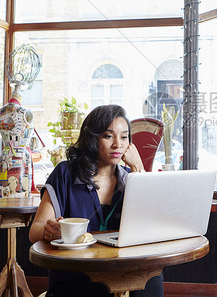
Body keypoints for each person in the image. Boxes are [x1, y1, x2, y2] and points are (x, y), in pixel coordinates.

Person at [29, 105, 164, 297]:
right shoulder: (65, 174)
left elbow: (150, 227)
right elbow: (35, 232)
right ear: (92, 138)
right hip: (78, 271)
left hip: (122, 268)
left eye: (124, 137)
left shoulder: (132, 178)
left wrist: (138, 167)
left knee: (152, 274)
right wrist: (48, 231)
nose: (118, 144)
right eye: (108, 136)